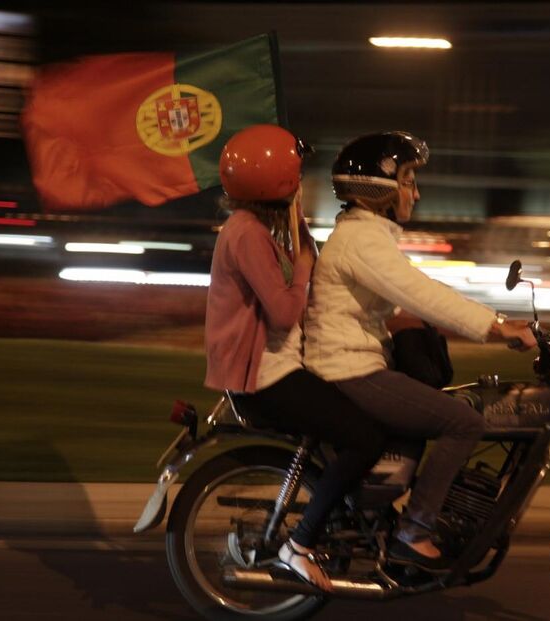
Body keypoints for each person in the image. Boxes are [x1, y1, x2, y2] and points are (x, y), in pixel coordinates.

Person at [304, 131, 537, 572]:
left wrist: (497, 320)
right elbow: (418, 293)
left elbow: (411, 293)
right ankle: (414, 532)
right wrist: (494, 326)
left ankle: (400, 513)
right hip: (349, 367)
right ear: (382, 187)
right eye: (409, 179)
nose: (417, 191)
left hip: (356, 361)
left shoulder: (367, 236)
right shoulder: (361, 240)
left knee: (446, 407)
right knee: (463, 421)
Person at [205, 124, 385, 591]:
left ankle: (348, 522)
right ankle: (298, 546)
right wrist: (305, 258)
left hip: (279, 369)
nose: (302, 183)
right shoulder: (246, 234)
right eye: (296, 175)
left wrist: (299, 233)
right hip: (267, 379)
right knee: (365, 437)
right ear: (279, 182)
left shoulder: (256, 228)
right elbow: (285, 310)